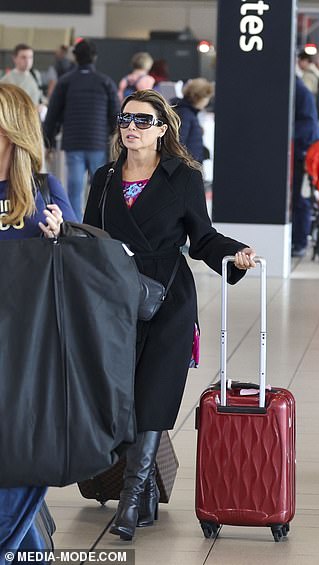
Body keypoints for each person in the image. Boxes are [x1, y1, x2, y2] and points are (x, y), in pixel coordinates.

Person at [82, 89, 257, 542]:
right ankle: (138, 496)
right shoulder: (103, 178)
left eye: (142, 121)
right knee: (117, 397)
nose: (131, 128)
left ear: (162, 130)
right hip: (114, 297)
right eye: (126, 119)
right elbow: (88, 239)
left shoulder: (182, 176)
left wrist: (234, 254)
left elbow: (201, 237)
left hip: (166, 297)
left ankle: (131, 497)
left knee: (154, 398)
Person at [0, 84, 74, 553]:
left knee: (17, 467)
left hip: (29, 357)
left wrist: (60, 239)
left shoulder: (46, 193)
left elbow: (83, 271)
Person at [44, 40, 119, 218]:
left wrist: (49, 141)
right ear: (94, 57)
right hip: (98, 142)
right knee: (101, 188)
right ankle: (100, 224)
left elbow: (52, 114)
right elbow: (115, 115)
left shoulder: (65, 82)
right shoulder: (105, 82)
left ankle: (76, 228)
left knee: (74, 190)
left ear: (75, 57)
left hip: (74, 142)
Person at [291, 75, 319, 258]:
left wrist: (285, 130)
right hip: (299, 152)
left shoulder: (301, 92)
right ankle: (298, 240)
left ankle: (300, 242)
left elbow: (308, 125)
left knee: (301, 199)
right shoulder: (299, 90)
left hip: (303, 155)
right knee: (299, 199)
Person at [171, 78, 213, 163]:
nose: (207, 102)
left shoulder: (187, 112)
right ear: (199, 97)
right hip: (189, 164)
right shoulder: (186, 114)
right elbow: (179, 141)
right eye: (206, 98)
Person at [0, 44, 45, 108]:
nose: (27, 61)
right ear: (14, 58)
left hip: (35, 115)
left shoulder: (35, 75)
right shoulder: (6, 80)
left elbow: (39, 95)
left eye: (30, 57)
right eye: (23, 57)